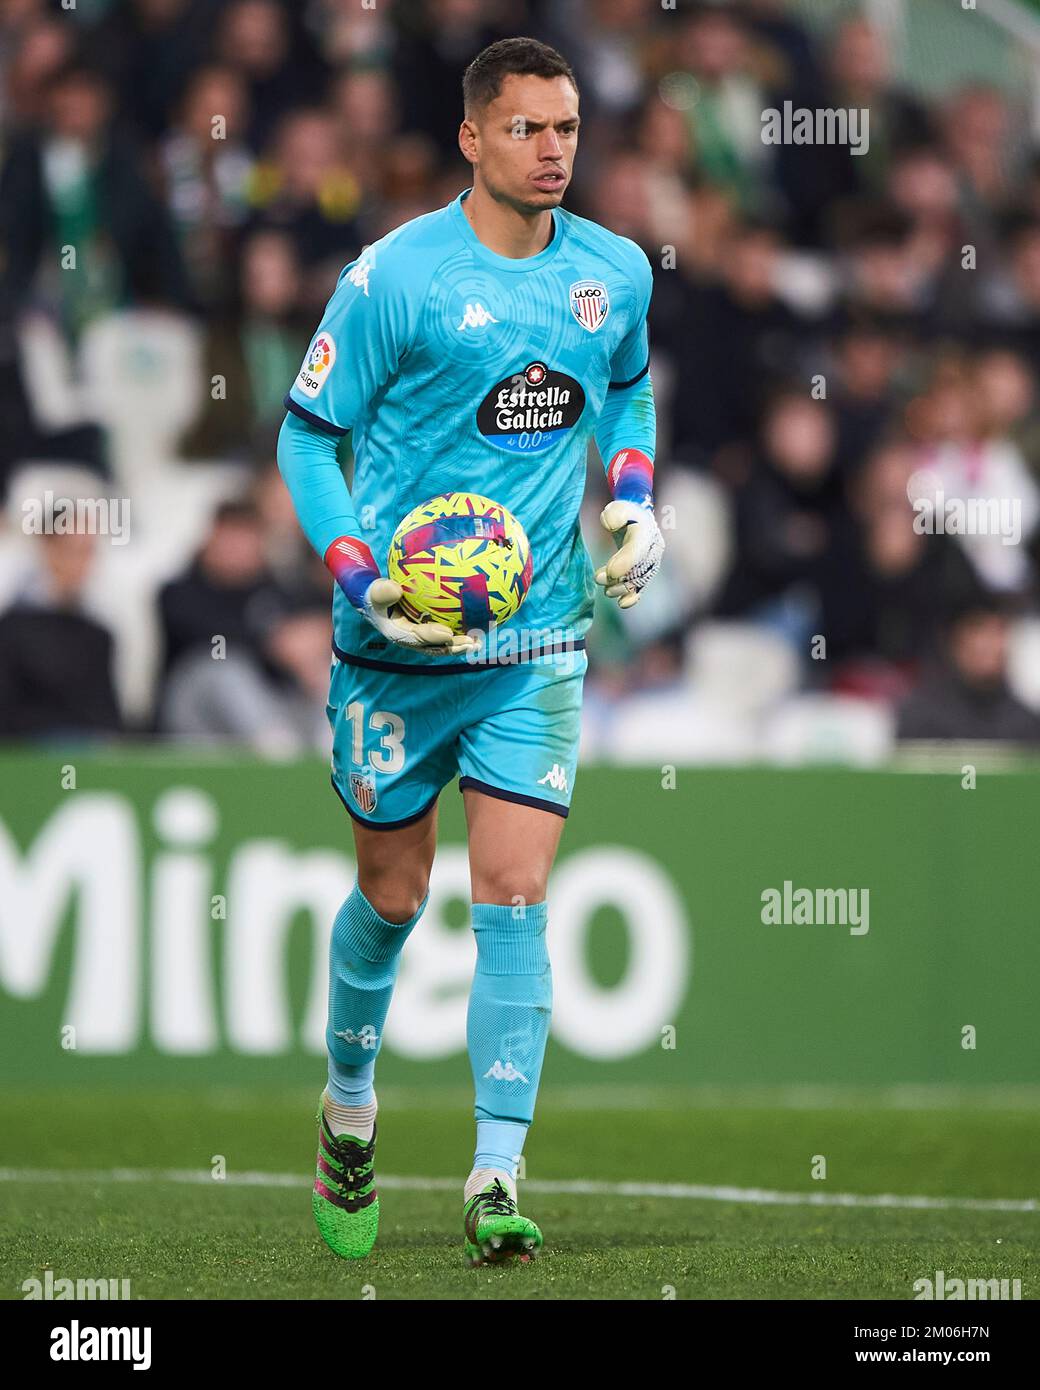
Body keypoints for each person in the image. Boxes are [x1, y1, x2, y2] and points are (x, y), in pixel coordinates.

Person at [276, 37, 664, 1266]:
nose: (552, 151)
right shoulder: (394, 277)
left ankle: (495, 1173)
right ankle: (348, 1105)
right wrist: (358, 575)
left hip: (538, 634)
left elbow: (631, 391)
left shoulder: (611, 272)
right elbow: (304, 440)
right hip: (394, 642)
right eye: (526, 130)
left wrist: (636, 494)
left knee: (513, 898)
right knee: (390, 900)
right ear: (470, 138)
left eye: (565, 129)